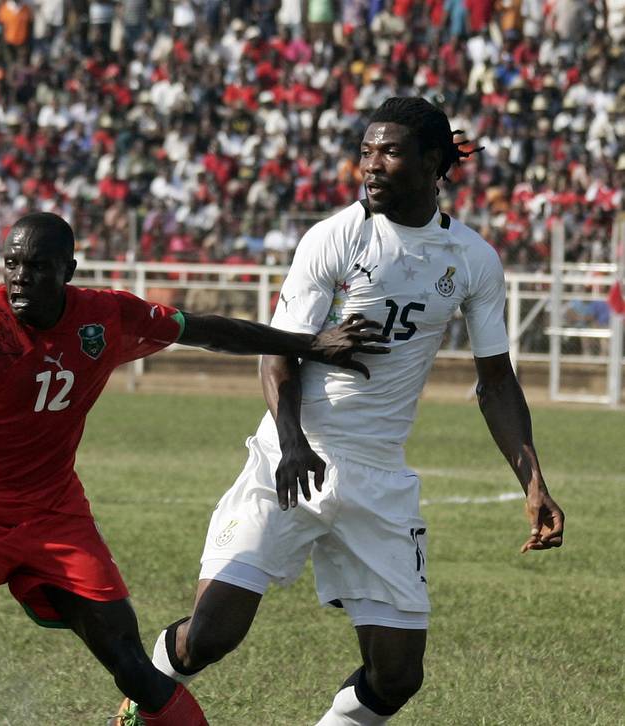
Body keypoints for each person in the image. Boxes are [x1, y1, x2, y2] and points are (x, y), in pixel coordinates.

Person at [0, 212, 389, 725]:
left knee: (125, 657)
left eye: (39, 267)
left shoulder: (107, 318)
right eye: (12, 265)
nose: (22, 278)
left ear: (67, 271)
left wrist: (306, 343)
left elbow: (204, 330)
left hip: (54, 512)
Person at [126, 97, 566, 725]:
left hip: (379, 476)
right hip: (291, 457)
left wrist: (533, 483)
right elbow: (278, 355)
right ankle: (143, 697)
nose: (371, 166)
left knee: (397, 675)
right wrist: (293, 441)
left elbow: (496, 381)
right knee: (212, 634)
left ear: (434, 162)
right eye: (366, 151)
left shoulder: (471, 259)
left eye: (389, 151)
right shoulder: (335, 238)